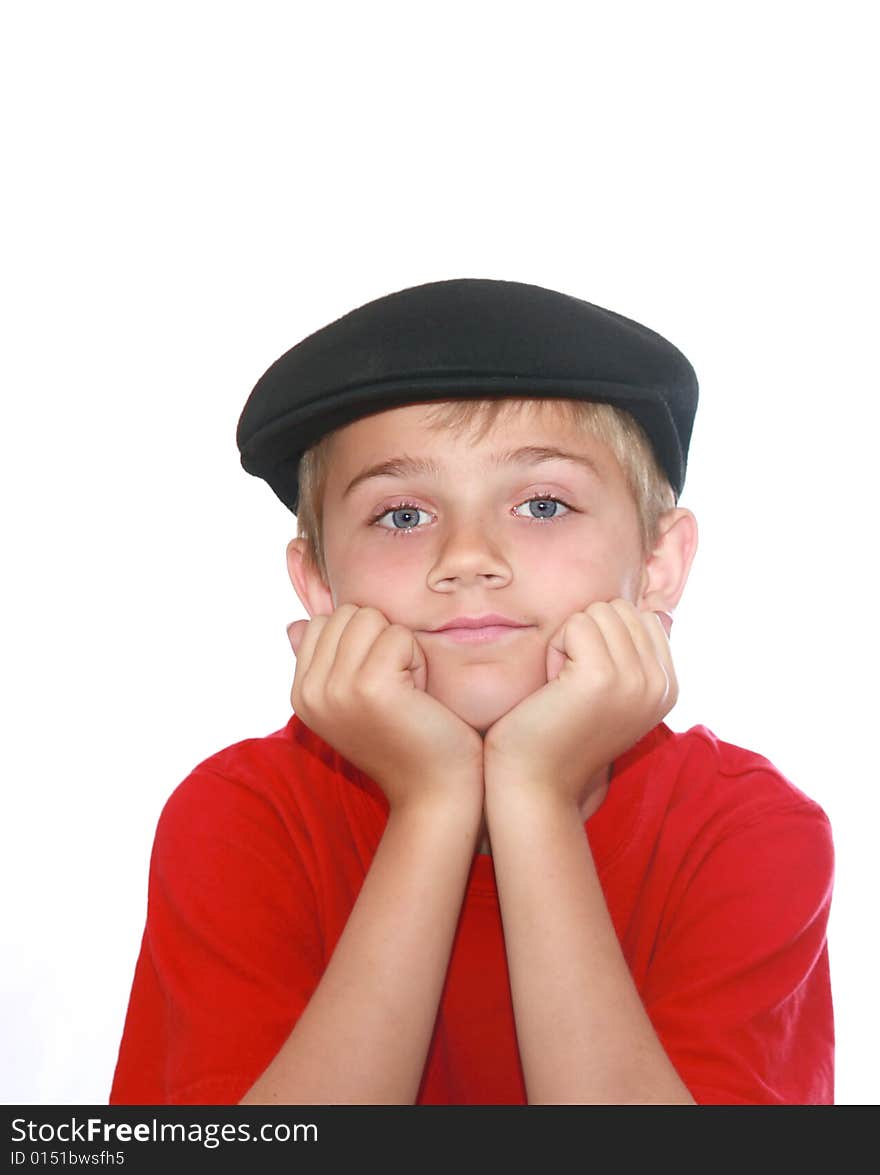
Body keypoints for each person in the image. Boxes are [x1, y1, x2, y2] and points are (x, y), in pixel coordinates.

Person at [109, 278, 834, 1105]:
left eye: (543, 502)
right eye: (404, 516)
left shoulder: (749, 831)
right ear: (317, 582)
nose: (469, 556)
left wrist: (533, 794)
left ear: (659, 565)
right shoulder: (239, 818)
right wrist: (432, 801)